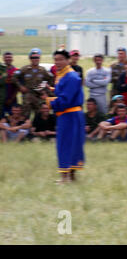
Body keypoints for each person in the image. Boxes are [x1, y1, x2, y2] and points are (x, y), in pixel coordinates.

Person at [43, 49, 85, 183]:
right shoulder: (63, 75)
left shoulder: (71, 76)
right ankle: (70, 177)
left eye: (61, 59)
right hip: (68, 115)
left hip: (69, 114)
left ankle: (65, 178)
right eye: (56, 59)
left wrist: (48, 100)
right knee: (71, 144)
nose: (58, 62)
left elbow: (65, 99)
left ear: (67, 60)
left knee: (66, 145)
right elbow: (63, 91)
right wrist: (50, 90)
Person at [14, 48, 54, 118]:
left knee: (39, 117)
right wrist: (20, 87)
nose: (35, 59)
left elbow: (51, 79)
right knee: (25, 117)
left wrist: (45, 90)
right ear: (30, 58)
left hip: (38, 97)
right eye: (33, 57)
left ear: (39, 58)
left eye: (37, 57)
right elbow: (14, 77)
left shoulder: (43, 70)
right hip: (27, 97)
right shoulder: (25, 69)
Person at [2, 52, 18, 116]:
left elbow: (17, 87)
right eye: (6, 57)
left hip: (12, 100)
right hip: (1, 100)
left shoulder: (16, 71)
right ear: (3, 58)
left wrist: (11, 99)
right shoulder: (1, 70)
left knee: (13, 118)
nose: (8, 59)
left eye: (10, 57)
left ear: (12, 59)